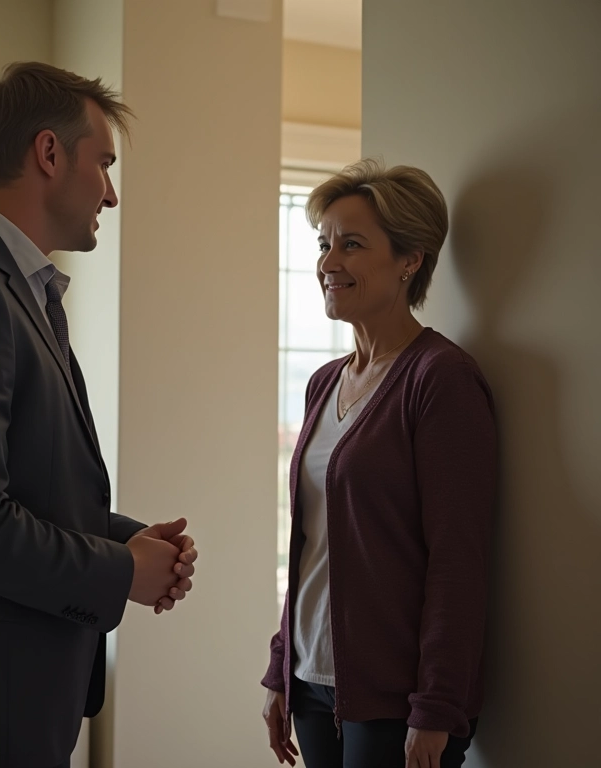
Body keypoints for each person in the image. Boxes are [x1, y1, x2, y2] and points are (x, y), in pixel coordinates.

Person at [0, 62, 197, 768]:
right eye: (104, 164)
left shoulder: (15, 288)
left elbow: (26, 485)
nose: (111, 193)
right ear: (49, 152)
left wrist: (131, 543)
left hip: (11, 697)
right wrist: (120, 572)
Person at [262, 159, 496, 768]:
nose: (328, 263)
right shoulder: (323, 383)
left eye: (352, 244)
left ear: (410, 259)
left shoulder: (439, 379)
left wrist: (438, 704)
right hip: (311, 681)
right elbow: (312, 543)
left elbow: (458, 558)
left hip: (397, 698)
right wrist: (281, 667)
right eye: (324, 244)